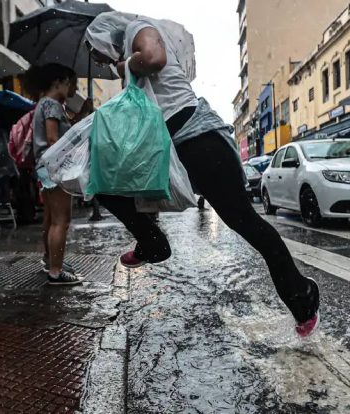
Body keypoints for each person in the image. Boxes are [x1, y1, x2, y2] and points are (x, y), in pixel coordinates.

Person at [84, 12, 319, 336]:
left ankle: (302, 296)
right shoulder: (128, 52)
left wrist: (125, 68)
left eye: (97, 52)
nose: (100, 61)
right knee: (102, 180)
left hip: (200, 141)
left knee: (244, 222)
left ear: (104, 38)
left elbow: (153, 58)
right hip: (174, 146)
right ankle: (151, 242)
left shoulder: (138, 30)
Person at [29, 63, 90, 285]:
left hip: (45, 168)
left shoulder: (44, 104)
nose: (73, 89)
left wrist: (82, 115)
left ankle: (50, 260)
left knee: (50, 219)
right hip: (55, 168)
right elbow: (54, 139)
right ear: (59, 82)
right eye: (71, 84)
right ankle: (56, 272)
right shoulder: (53, 105)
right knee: (61, 221)